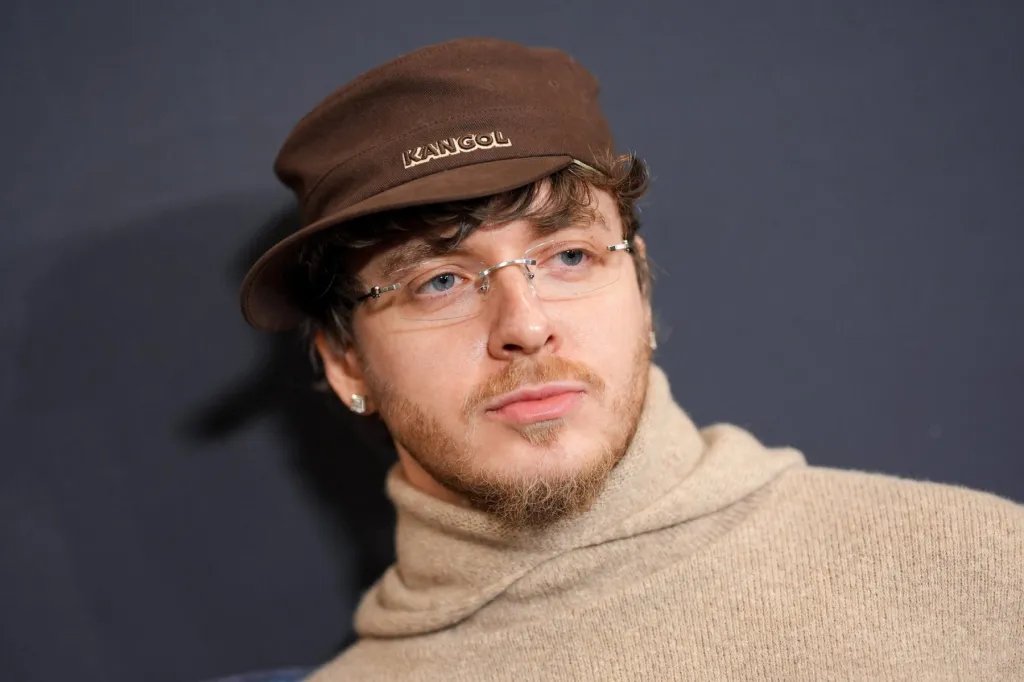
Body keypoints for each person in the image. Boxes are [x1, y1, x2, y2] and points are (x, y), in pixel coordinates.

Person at [239, 37, 1022, 680]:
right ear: (345, 362)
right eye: (438, 281)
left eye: (570, 257)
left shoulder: (980, 571)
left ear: (640, 289)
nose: (526, 325)